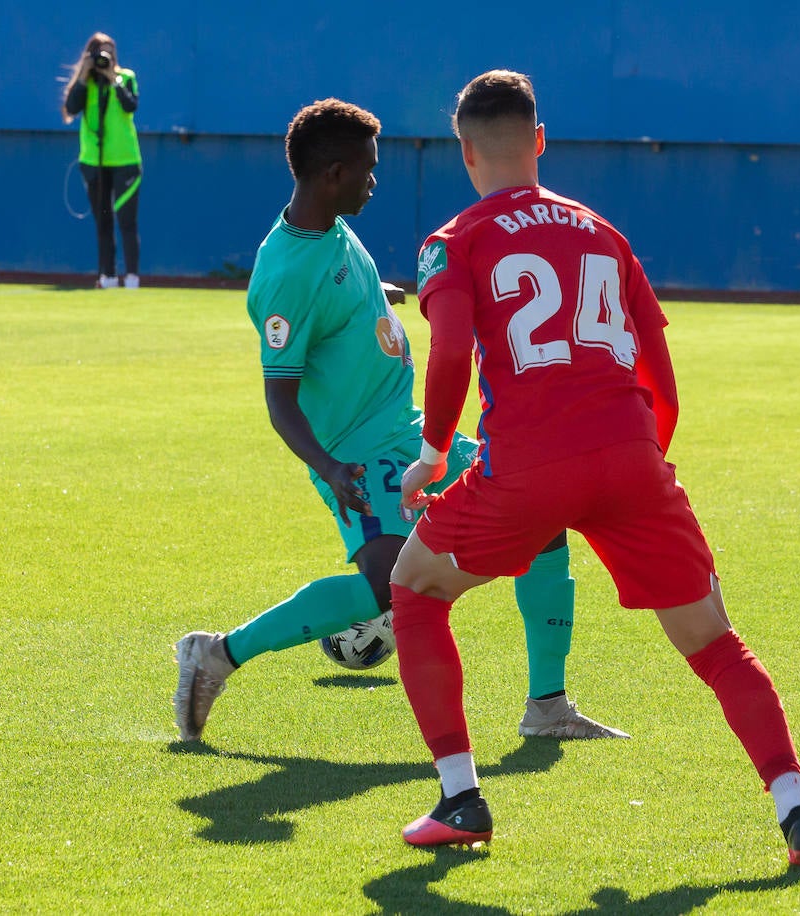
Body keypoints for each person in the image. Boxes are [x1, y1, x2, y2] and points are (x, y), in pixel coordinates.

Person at [389, 70, 800, 870]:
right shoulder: (603, 232)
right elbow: (662, 380)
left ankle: (460, 798)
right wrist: (638, 471)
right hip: (631, 456)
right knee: (715, 642)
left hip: (527, 465)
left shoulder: (452, 241)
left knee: (415, 589)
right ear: (539, 139)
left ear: (465, 152)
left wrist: (431, 454)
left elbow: (452, 349)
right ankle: (798, 811)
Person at [172, 98, 628, 746]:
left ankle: (547, 706)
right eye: (367, 169)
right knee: (387, 583)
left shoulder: (329, 226)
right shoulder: (285, 274)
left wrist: (372, 299)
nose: (374, 181)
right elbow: (280, 402)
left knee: (544, 519)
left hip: (406, 429)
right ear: (334, 174)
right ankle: (217, 654)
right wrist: (331, 469)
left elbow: (335, 296)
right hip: (358, 451)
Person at [61, 32, 142, 289]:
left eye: (110, 53)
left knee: (127, 221)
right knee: (103, 221)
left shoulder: (126, 77)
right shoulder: (86, 83)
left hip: (124, 159)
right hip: (94, 161)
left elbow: (130, 106)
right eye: (100, 54)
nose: (105, 58)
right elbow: (71, 109)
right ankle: (108, 276)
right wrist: (84, 75)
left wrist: (112, 78)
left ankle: (132, 277)